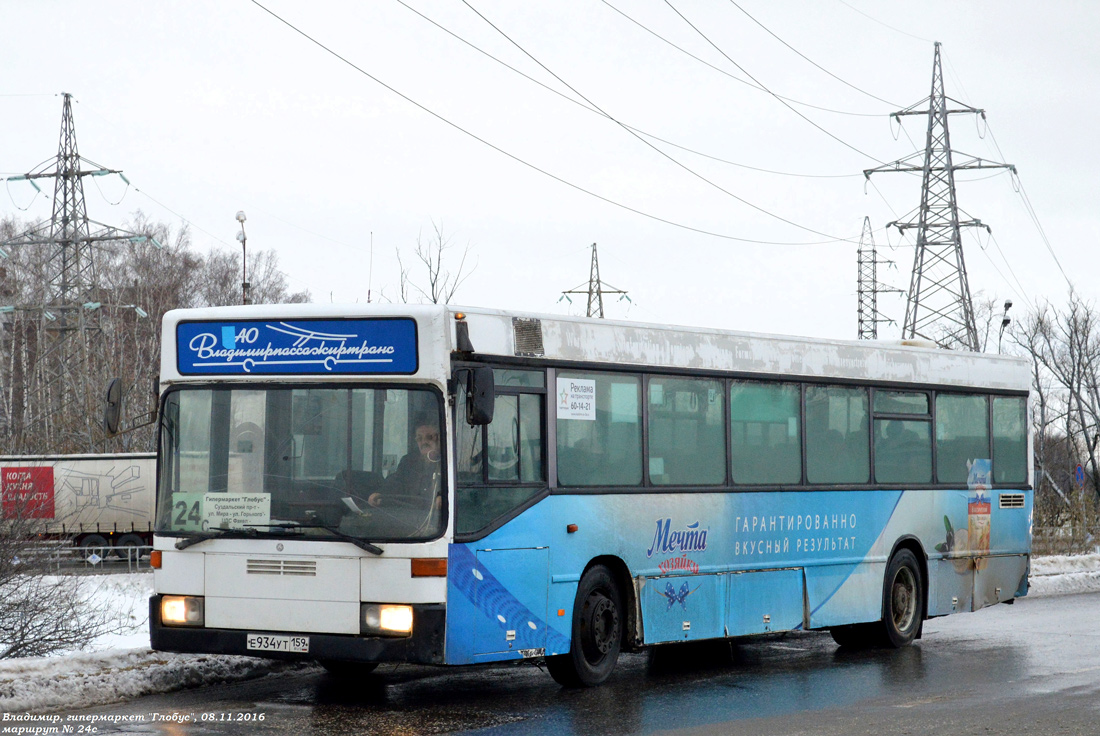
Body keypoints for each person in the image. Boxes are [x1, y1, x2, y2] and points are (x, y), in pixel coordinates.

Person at [367, 421, 441, 509]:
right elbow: (396, 481)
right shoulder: (408, 461)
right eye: (419, 438)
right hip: (409, 516)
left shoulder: (448, 462)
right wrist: (380, 493)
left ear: (439, 439)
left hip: (436, 517)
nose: (424, 442)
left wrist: (443, 497)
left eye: (429, 437)